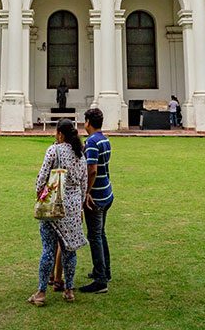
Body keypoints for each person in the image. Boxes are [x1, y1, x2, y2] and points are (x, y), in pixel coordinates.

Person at [28, 118, 87, 306]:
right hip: (73, 206)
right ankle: (69, 290)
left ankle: (41, 292)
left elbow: (42, 177)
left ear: (60, 134)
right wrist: (80, 207)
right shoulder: (80, 154)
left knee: (48, 250)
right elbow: (83, 184)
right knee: (70, 250)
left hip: (54, 205)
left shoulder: (54, 150)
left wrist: (40, 196)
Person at [79, 107, 113, 295]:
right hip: (107, 193)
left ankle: (100, 280)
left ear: (88, 123)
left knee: (95, 236)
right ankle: (104, 271)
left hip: (97, 196)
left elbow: (92, 170)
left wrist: (86, 193)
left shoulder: (92, 142)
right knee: (101, 234)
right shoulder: (104, 139)